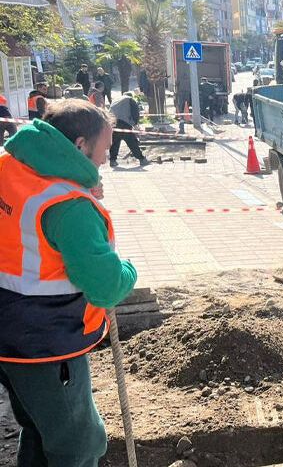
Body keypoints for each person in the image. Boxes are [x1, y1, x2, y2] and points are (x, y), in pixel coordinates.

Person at [0, 99, 138, 466]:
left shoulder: (9, 164)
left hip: (10, 338)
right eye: (105, 148)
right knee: (79, 444)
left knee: (39, 427)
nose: (105, 158)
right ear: (79, 145)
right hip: (43, 343)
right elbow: (106, 286)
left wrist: (76, 182)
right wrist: (128, 270)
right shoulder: (68, 206)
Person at [109, 92, 150, 168]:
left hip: (113, 123)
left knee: (115, 143)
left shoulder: (115, 100)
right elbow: (135, 113)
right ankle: (142, 159)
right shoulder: (130, 99)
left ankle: (112, 161)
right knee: (132, 142)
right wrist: (135, 124)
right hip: (124, 123)